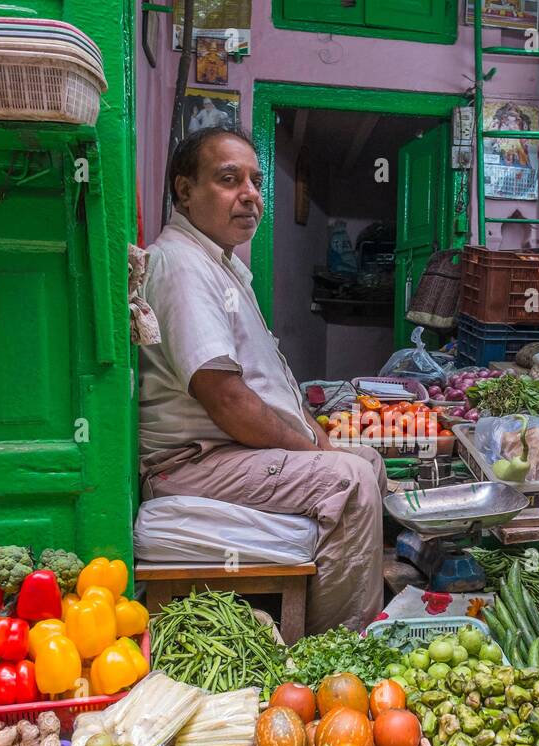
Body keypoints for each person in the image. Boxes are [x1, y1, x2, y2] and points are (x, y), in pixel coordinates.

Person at [139, 127, 387, 633]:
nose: (250, 194)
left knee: (367, 458)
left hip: (232, 450)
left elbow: (268, 384)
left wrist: (317, 436)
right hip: (195, 462)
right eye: (229, 180)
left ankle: (360, 596)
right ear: (184, 190)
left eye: (255, 180)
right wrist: (314, 454)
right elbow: (227, 399)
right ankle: (337, 652)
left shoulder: (220, 263)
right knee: (352, 479)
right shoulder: (183, 266)